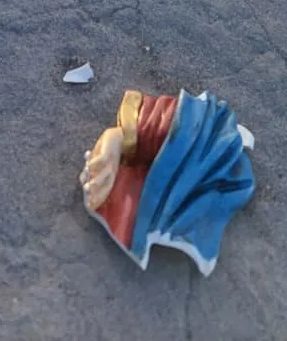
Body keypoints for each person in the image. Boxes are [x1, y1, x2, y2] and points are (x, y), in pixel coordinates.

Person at [80, 88, 255, 275]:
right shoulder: (206, 130)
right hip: (135, 187)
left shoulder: (232, 171)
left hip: (148, 203)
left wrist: (119, 138)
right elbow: (169, 123)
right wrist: (119, 138)